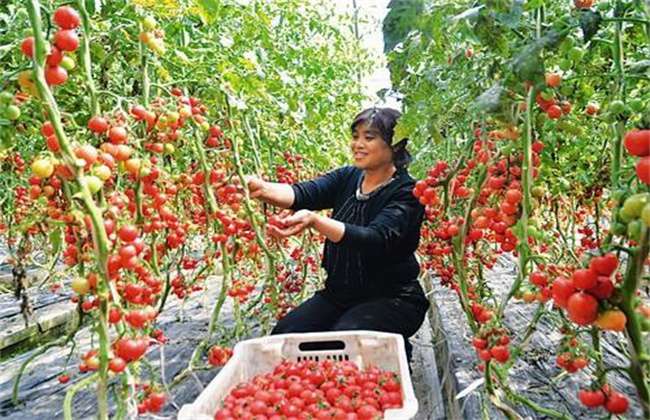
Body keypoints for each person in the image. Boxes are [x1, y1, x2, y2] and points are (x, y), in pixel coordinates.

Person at [246, 107, 429, 362]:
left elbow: (375, 239)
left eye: (369, 137)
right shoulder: (348, 177)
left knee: (344, 344)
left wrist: (315, 220)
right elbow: (301, 194)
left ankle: (394, 353)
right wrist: (260, 188)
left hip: (393, 298)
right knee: (284, 339)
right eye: (356, 136)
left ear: (395, 145)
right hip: (339, 294)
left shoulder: (408, 192)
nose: (358, 144)